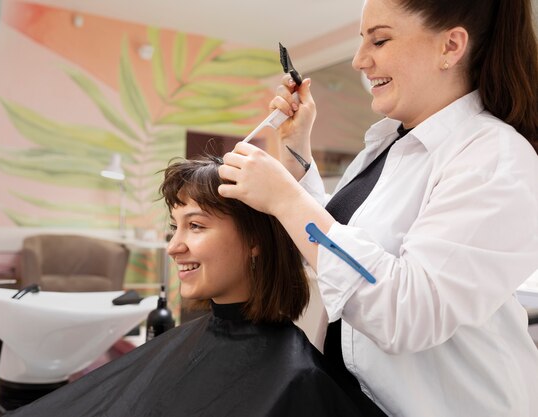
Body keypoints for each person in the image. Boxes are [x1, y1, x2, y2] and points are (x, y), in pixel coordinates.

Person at [218, 0, 538, 416]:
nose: (359, 60)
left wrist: (284, 198)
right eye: (360, 41)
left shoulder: (495, 156)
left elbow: (406, 311)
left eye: (380, 40)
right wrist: (298, 154)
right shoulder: (391, 144)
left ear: (451, 46)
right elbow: (340, 249)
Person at [6, 156, 383, 417]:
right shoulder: (192, 342)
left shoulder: (297, 379)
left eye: (196, 226)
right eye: (175, 227)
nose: (173, 246)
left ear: (255, 241)